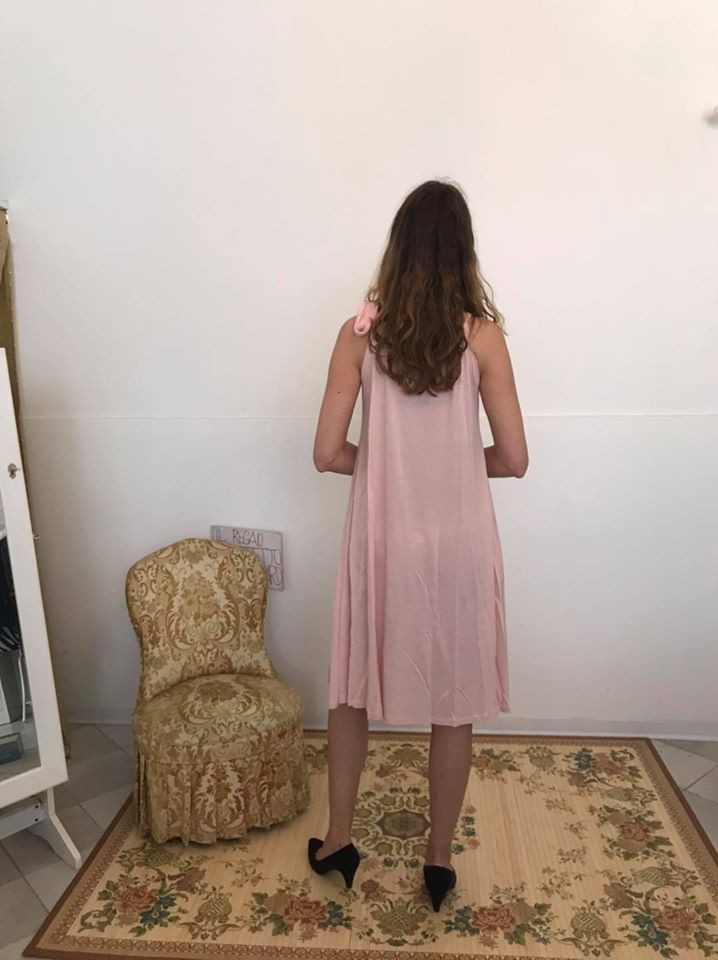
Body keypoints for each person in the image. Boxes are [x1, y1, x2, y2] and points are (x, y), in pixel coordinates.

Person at [308, 179, 528, 910]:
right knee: (452, 697)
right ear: (464, 252)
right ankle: (437, 861)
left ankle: (339, 842)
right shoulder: (482, 339)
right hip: (459, 544)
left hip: (379, 539)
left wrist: (383, 469)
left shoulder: (360, 335)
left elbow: (326, 453)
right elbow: (515, 458)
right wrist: (455, 466)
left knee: (350, 688)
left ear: (398, 248)